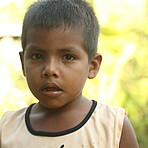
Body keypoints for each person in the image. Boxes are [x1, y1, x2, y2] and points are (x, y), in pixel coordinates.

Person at [0, 0, 139, 147]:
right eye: (37, 56)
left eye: (68, 57)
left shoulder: (112, 127)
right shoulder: (7, 128)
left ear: (92, 66)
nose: (50, 70)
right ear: (23, 63)